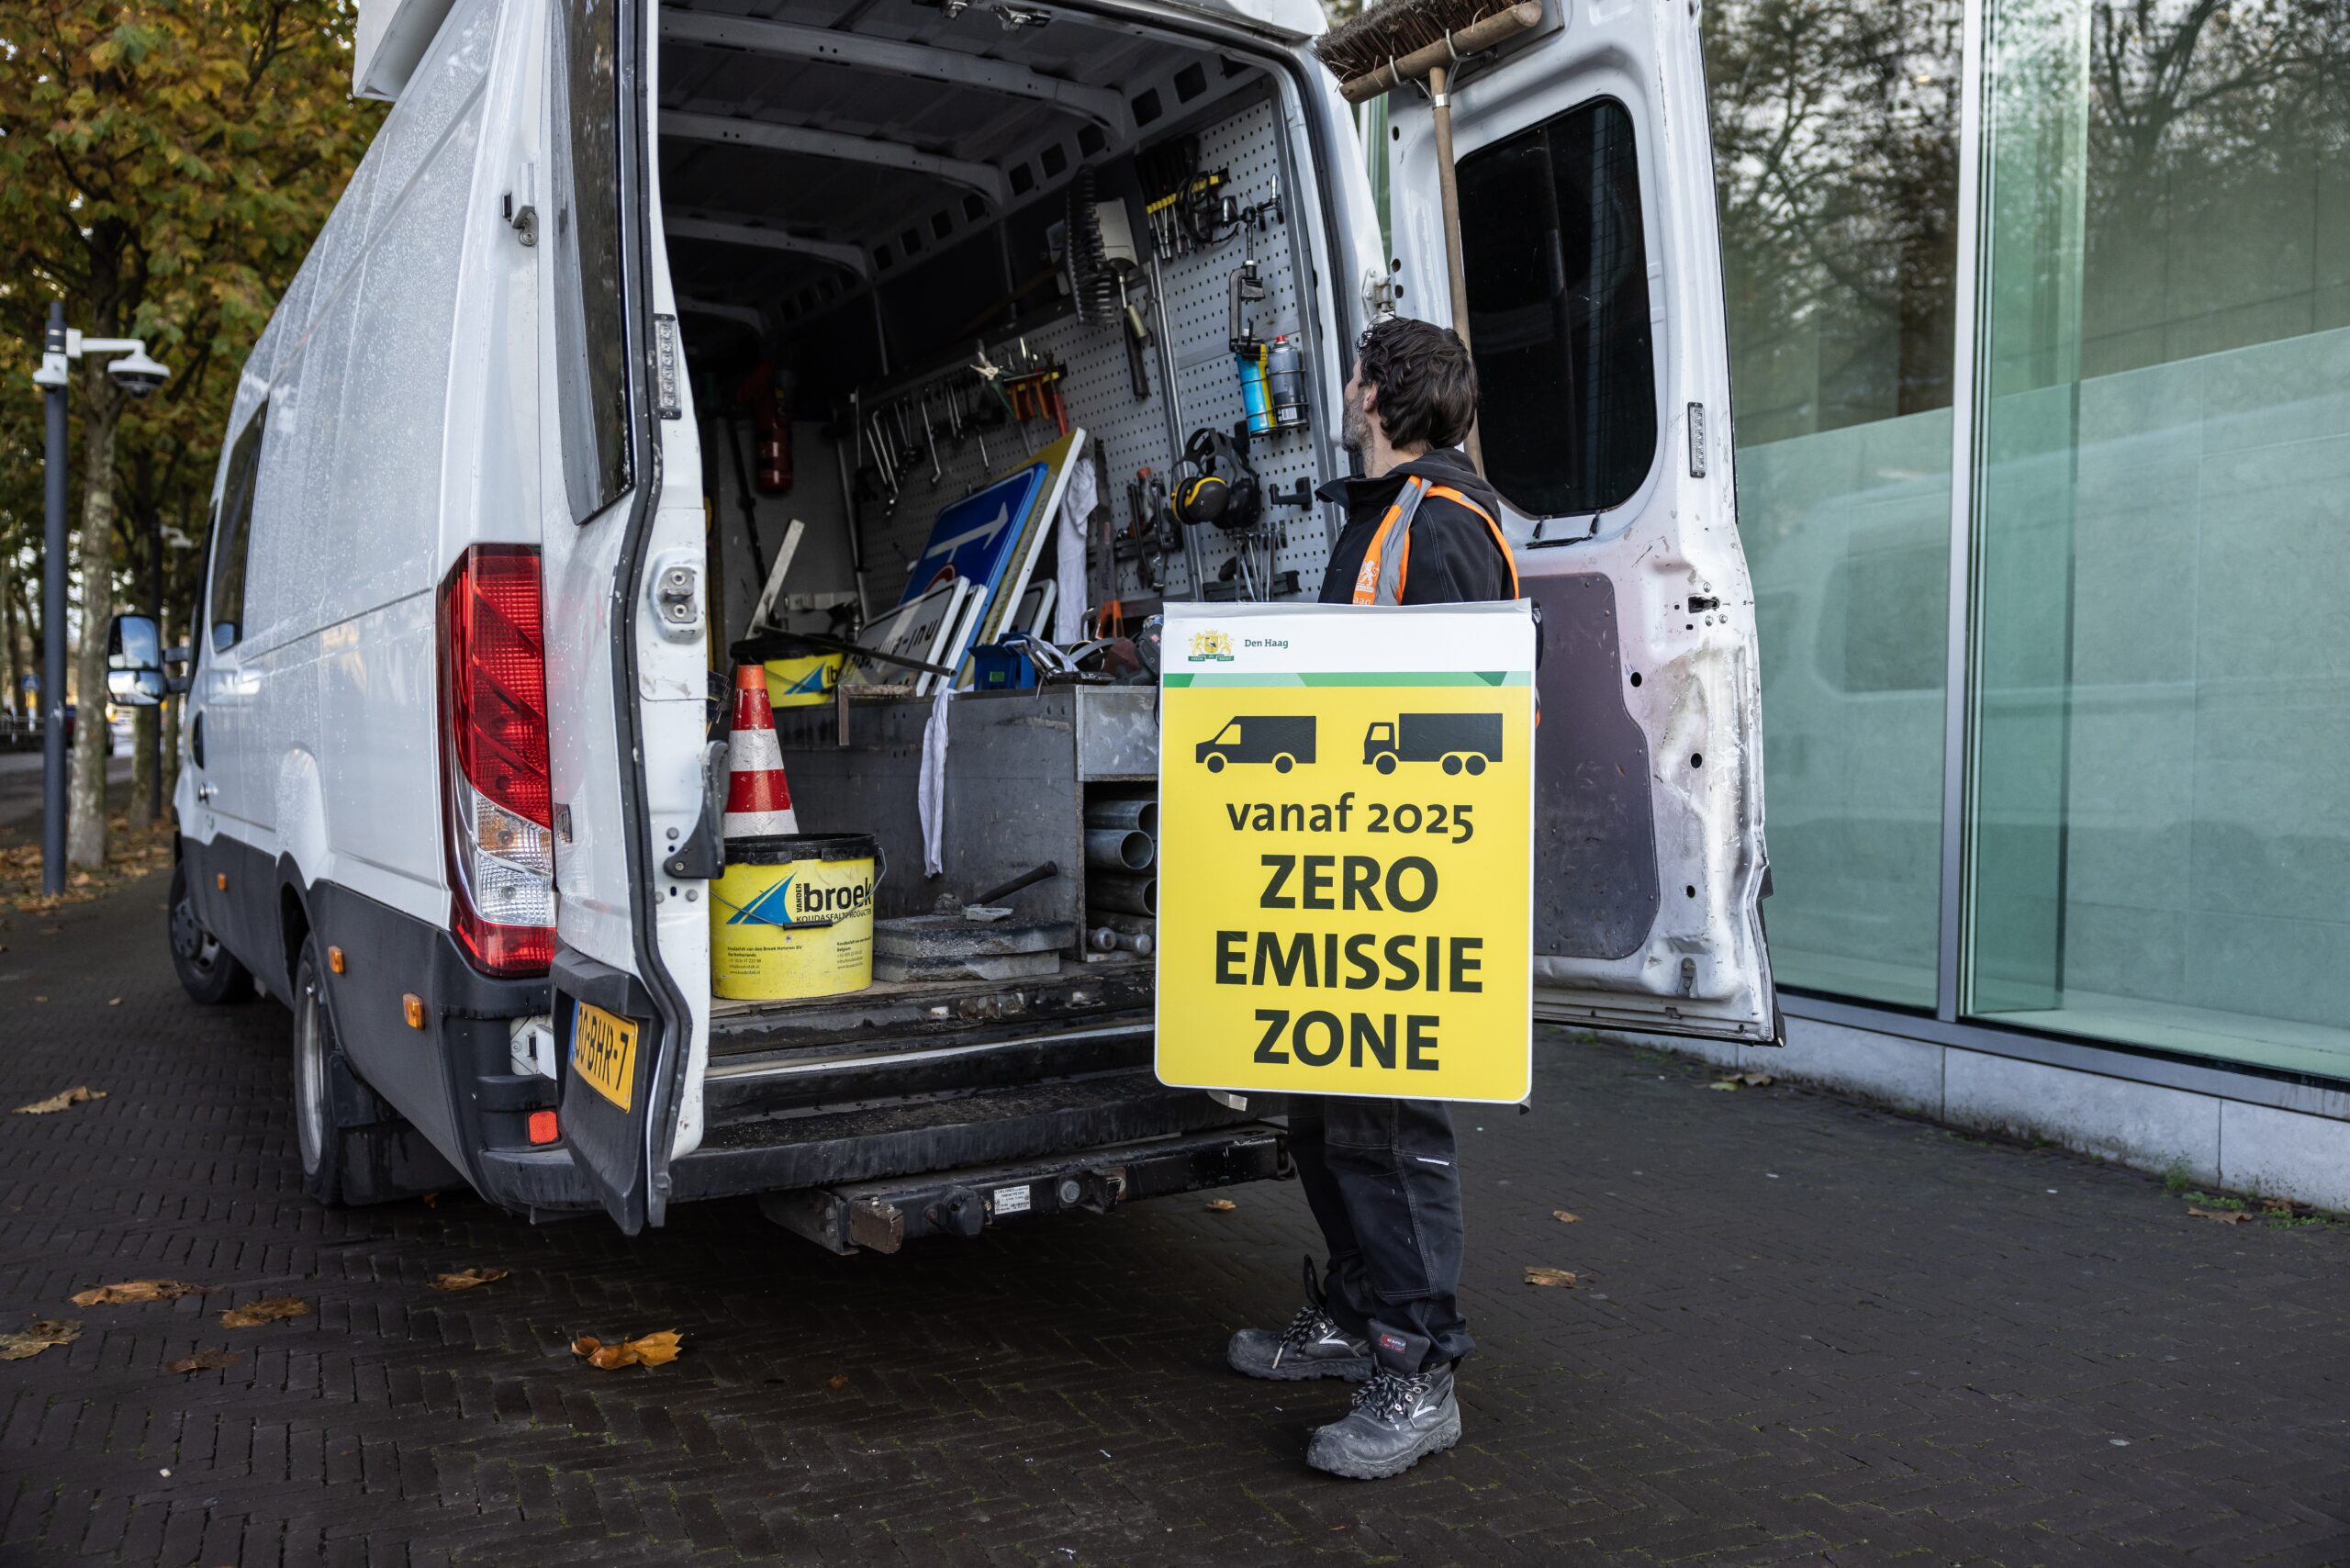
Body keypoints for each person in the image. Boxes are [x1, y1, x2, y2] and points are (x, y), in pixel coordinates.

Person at [1225, 317, 1517, 1480]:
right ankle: (1356, 1315)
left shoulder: (1437, 523)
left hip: (1399, 890)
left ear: (1379, 396)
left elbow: (1466, 710)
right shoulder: (1388, 516)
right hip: (1345, 878)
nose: (1344, 390)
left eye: (1354, 376)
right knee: (1322, 1116)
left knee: (1387, 1131)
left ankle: (1420, 1371)